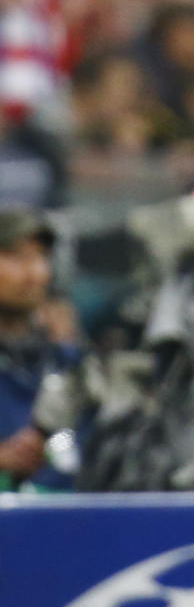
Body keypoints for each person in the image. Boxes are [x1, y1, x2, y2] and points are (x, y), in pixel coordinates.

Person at [0, 207, 82, 491]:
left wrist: (68, 352)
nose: (34, 272)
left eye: (41, 258)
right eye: (16, 257)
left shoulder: (60, 355)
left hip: (56, 519)